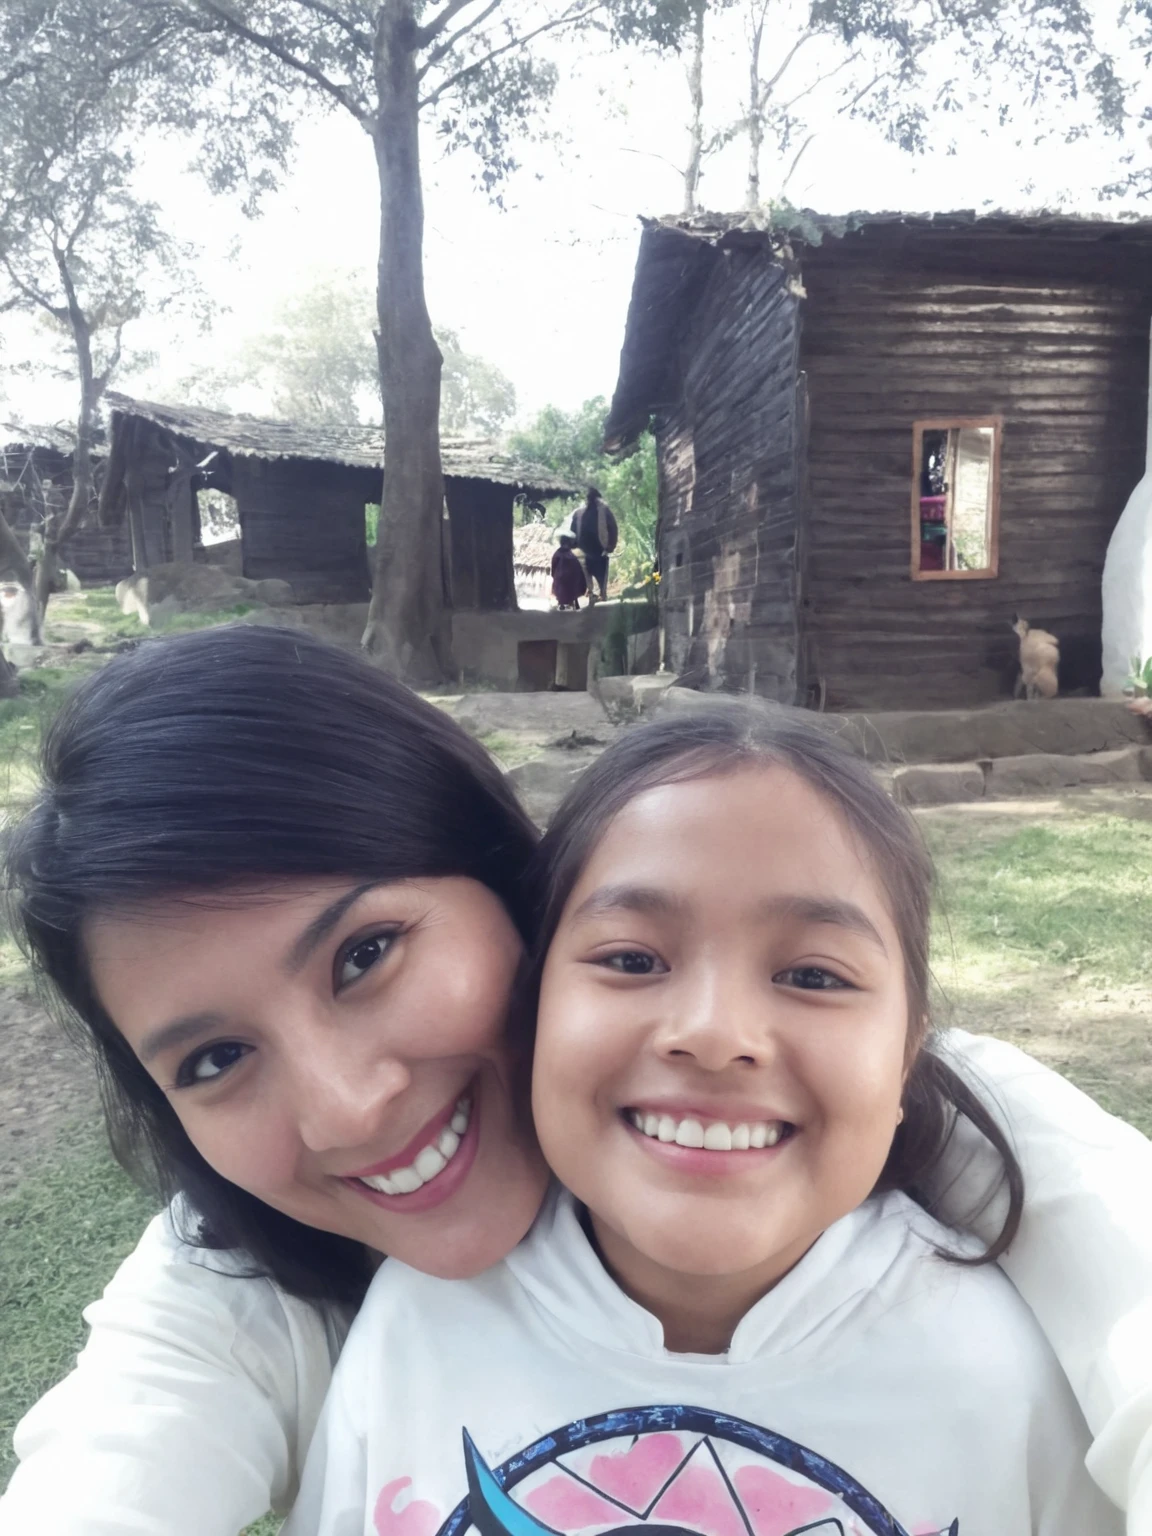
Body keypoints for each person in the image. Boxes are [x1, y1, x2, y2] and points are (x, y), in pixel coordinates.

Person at [0, 633, 1149, 1535]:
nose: (345, 1106)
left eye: (365, 955)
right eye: (211, 1061)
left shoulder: (989, 1208)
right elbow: (110, 1473)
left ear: (518, 890)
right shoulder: (258, 1289)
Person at [280, 706, 1124, 1535]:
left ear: (907, 1057)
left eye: (814, 976)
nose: (715, 1035)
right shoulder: (417, 1330)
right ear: (532, 1012)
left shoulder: (1002, 1383)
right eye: (632, 959)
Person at [570, 486, 618, 602]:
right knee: (586, 572)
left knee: (601, 572)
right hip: (584, 548)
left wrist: (611, 545)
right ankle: (591, 592)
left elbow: (612, 528)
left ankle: (602, 593)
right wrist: (573, 544)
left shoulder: (604, 510)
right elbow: (573, 530)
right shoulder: (579, 512)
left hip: (599, 548)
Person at [550, 534, 587, 610]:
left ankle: (562, 604)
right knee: (572, 588)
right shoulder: (572, 554)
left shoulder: (557, 553)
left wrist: (554, 575)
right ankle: (574, 602)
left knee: (560, 588)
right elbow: (577, 568)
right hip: (572, 578)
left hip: (560, 577)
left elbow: (553, 565)